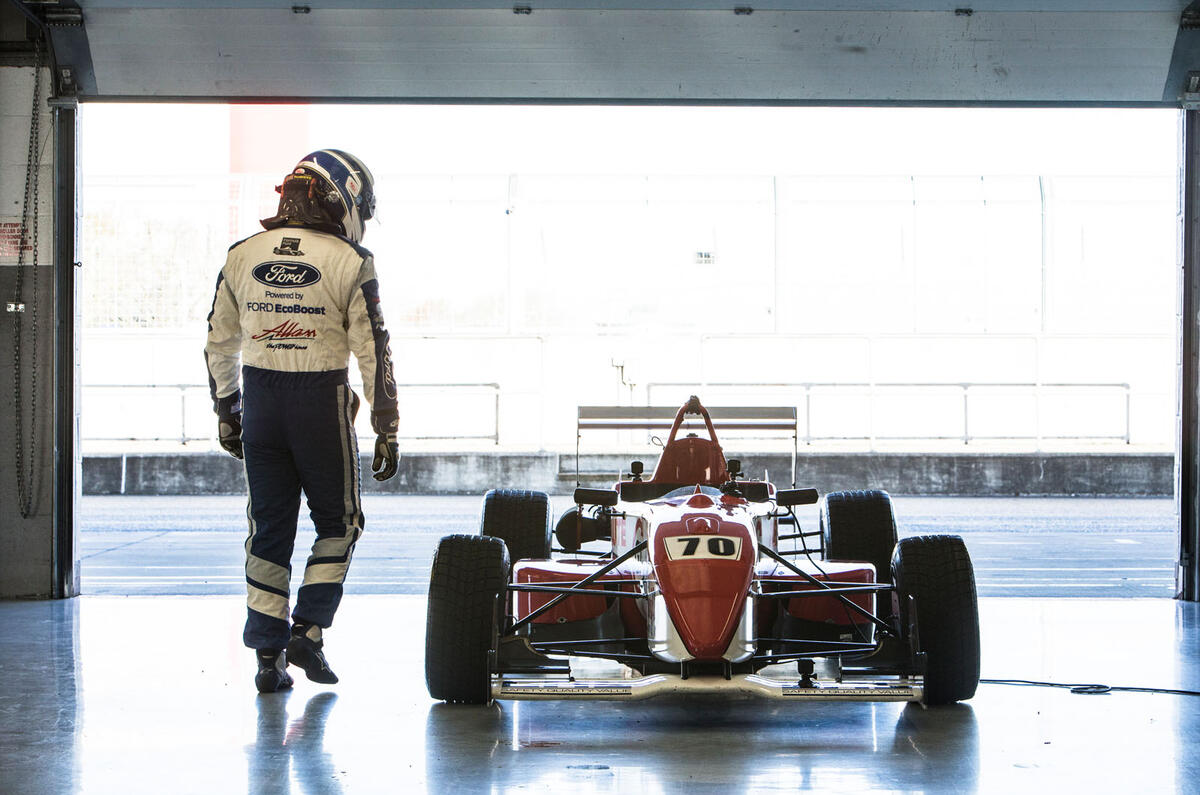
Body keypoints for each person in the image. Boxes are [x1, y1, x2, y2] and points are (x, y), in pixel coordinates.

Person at [204, 149, 400, 693]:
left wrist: (228, 412)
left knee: (268, 530)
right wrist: (387, 425)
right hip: (320, 400)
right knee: (339, 524)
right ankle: (308, 632)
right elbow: (373, 349)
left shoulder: (242, 254)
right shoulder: (352, 259)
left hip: (261, 400)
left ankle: (268, 658)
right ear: (345, 197)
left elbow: (218, 343)